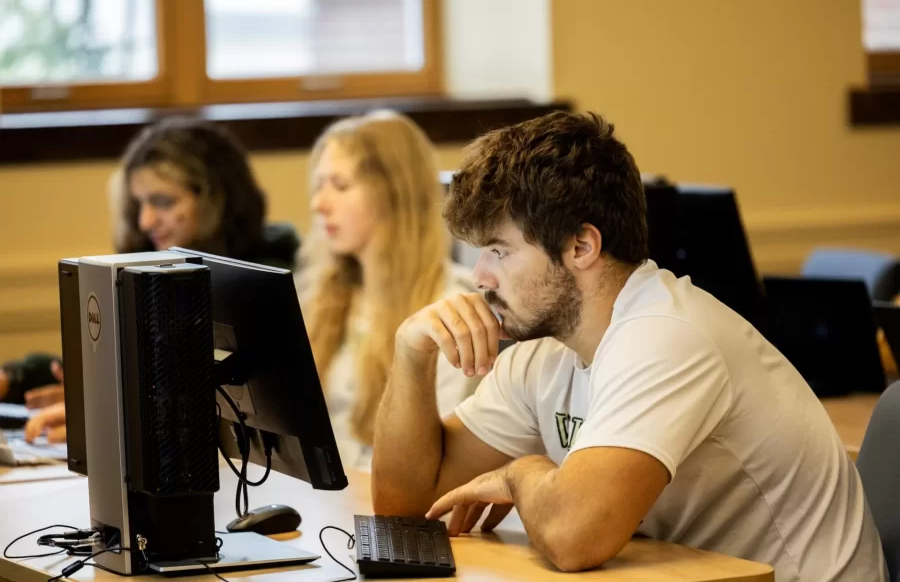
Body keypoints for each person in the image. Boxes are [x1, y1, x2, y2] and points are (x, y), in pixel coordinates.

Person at [370, 112, 886, 581]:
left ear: (580, 246)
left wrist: (520, 471)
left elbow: (575, 537)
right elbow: (406, 508)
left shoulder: (666, 336)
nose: (480, 277)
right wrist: (412, 353)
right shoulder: (542, 350)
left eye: (500, 251)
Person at [21, 117, 301, 442]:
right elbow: (126, 366)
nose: (145, 221)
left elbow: (197, 400)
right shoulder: (162, 275)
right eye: (140, 203)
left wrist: (108, 411)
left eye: (163, 202)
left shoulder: (261, 285)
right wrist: (16, 379)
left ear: (219, 200)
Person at [297, 110, 478, 470]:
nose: (319, 204)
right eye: (319, 185)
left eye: (341, 185)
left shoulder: (450, 308)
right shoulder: (322, 295)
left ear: (394, 194)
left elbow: (429, 457)